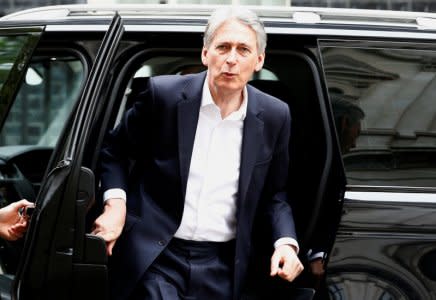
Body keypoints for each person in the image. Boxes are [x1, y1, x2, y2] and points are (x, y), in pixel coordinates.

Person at [92, 6, 303, 300]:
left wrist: (285, 243)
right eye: (223, 47)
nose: (231, 58)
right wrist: (115, 206)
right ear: (205, 54)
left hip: (224, 263)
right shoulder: (162, 96)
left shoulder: (275, 115)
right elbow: (114, 151)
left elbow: (275, 195)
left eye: (243, 49)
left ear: (259, 60)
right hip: (158, 255)